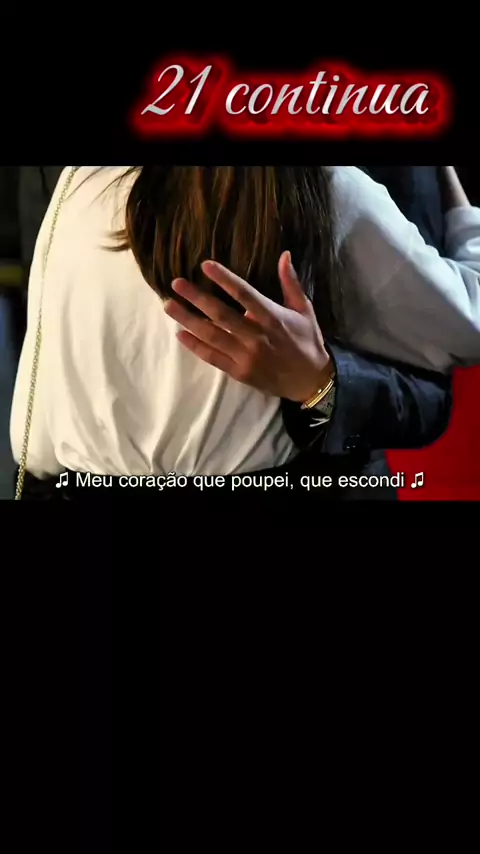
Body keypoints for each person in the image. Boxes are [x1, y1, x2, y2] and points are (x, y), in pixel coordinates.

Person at [10, 165, 480, 499]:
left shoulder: (82, 186)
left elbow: (38, 436)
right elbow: (468, 328)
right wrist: (462, 212)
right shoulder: (328, 190)